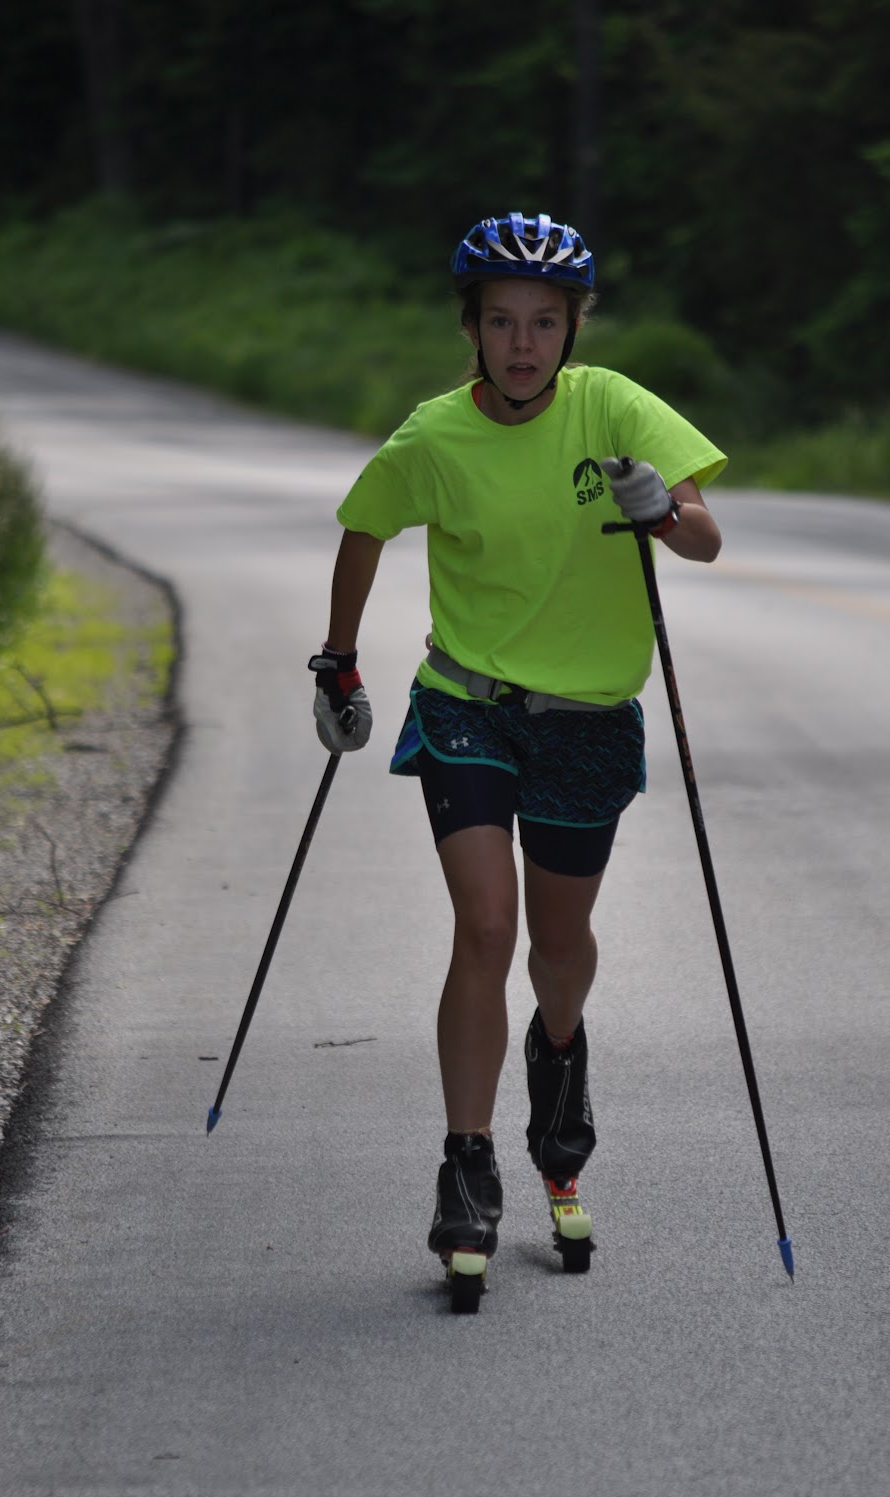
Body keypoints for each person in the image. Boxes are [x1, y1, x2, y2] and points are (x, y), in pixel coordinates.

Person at [310, 210, 726, 1289]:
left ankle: (558, 1073)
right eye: (500, 321)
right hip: (470, 703)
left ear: (573, 327)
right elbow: (365, 527)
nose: (522, 343)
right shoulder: (433, 436)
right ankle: (467, 1166)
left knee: (559, 943)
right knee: (486, 925)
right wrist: (338, 663)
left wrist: (660, 512)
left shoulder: (613, 405)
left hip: (588, 716)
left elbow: (704, 538)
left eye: (544, 321)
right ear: (472, 328)